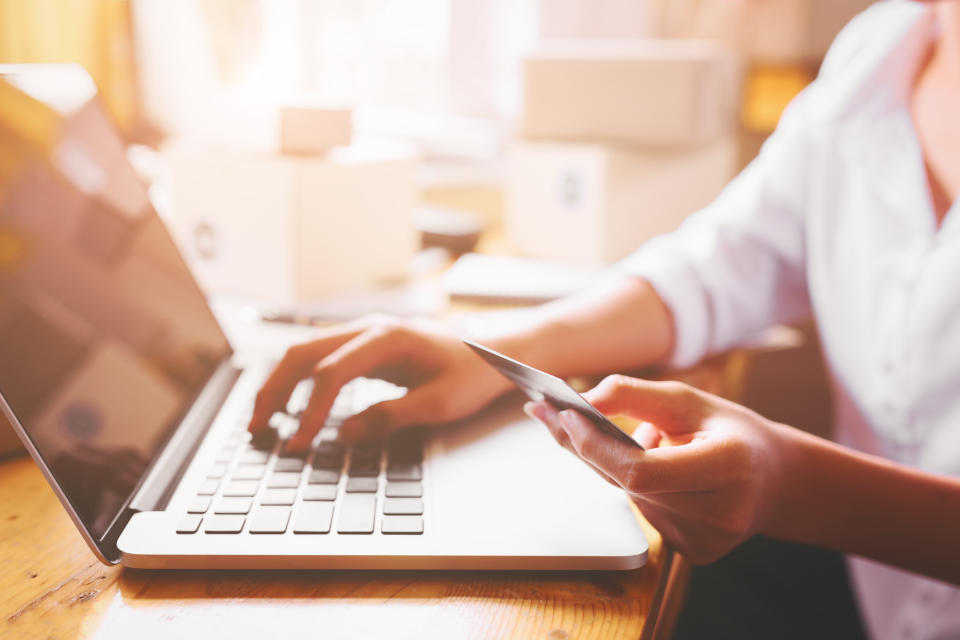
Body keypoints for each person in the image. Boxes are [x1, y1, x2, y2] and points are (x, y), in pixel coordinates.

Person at [249, 2, 960, 637]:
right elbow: (718, 265)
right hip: (875, 595)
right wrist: (490, 350)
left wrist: (788, 483)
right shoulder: (886, 47)